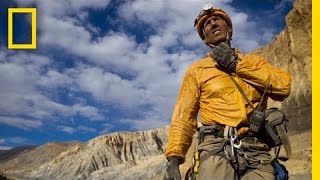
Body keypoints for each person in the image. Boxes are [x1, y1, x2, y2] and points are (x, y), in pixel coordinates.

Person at [163, 3, 292, 180]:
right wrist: (173, 159)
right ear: (204, 38)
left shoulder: (254, 62)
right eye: (207, 23)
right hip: (215, 148)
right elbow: (183, 116)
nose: (213, 23)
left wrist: (236, 65)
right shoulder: (197, 70)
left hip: (257, 150)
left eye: (217, 19)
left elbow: (283, 86)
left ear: (229, 28)